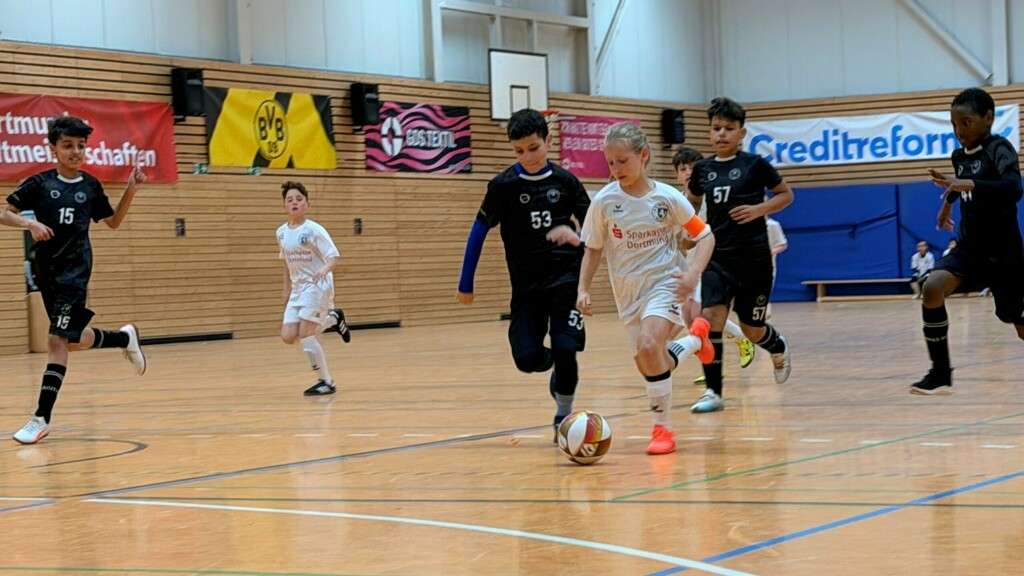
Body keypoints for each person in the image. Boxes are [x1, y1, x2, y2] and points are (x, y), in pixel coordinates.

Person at [1, 116, 147, 444]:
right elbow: (3, 212)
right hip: (45, 271)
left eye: (81, 146)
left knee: (56, 342)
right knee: (72, 340)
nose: (76, 151)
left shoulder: (90, 186)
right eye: (68, 145)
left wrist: (131, 189)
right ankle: (124, 339)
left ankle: (41, 417)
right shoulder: (39, 184)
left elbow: (112, 223)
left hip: (74, 274)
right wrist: (30, 226)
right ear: (53, 148)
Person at [575, 123, 715, 455]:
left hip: (665, 283)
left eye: (623, 161)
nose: (616, 169)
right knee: (647, 359)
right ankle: (695, 340)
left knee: (651, 345)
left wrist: (694, 271)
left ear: (644, 156)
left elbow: (706, 235)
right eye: (610, 162)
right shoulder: (605, 202)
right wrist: (583, 288)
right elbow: (593, 248)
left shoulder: (668, 197)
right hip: (628, 293)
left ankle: (662, 430)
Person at [457, 109, 590, 440]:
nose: (527, 156)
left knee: (565, 347)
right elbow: (478, 230)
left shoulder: (567, 182)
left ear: (548, 141)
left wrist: (580, 244)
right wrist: (466, 282)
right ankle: (554, 367)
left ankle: (563, 414)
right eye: (519, 151)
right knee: (526, 358)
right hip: (527, 288)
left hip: (566, 283)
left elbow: (596, 229)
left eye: (533, 147)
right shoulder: (503, 186)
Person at [686, 97, 795, 414]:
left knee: (752, 329)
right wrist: (688, 231)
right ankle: (713, 392)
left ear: (741, 132)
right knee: (709, 321)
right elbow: (689, 205)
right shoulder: (702, 169)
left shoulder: (755, 165)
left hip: (754, 260)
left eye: (729, 128)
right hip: (717, 258)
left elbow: (786, 195)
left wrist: (760, 209)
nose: (721, 134)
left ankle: (777, 345)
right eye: (716, 128)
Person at [913, 87, 1024, 394]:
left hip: (1005, 253)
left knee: (1017, 323)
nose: (959, 131)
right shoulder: (959, 156)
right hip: (970, 249)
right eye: (954, 125)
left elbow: (1013, 188)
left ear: (988, 118)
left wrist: (965, 183)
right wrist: (948, 202)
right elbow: (960, 184)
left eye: (966, 122)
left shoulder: (999, 148)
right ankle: (940, 372)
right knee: (932, 287)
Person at [672, 146, 755, 385]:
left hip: (710, 262)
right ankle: (726, 349)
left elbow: (701, 233)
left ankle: (718, 362)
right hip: (685, 265)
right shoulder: (676, 198)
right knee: (691, 320)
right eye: (682, 168)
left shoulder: (710, 196)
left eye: (692, 167)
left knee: (700, 316)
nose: (688, 172)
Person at [278, 181, 352, 396]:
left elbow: (333, 257)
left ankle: (326, 381)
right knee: (288, 336)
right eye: (290, 200)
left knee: (306, 335)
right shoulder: (281, 233)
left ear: (307, 204)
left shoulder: (314, 230)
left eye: (299, 199)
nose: (294, 203)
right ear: (284, 206)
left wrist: (324, 270)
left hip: (317, 287)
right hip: (297, 289)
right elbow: (285, 262)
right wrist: (285, 289)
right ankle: (333, 319)